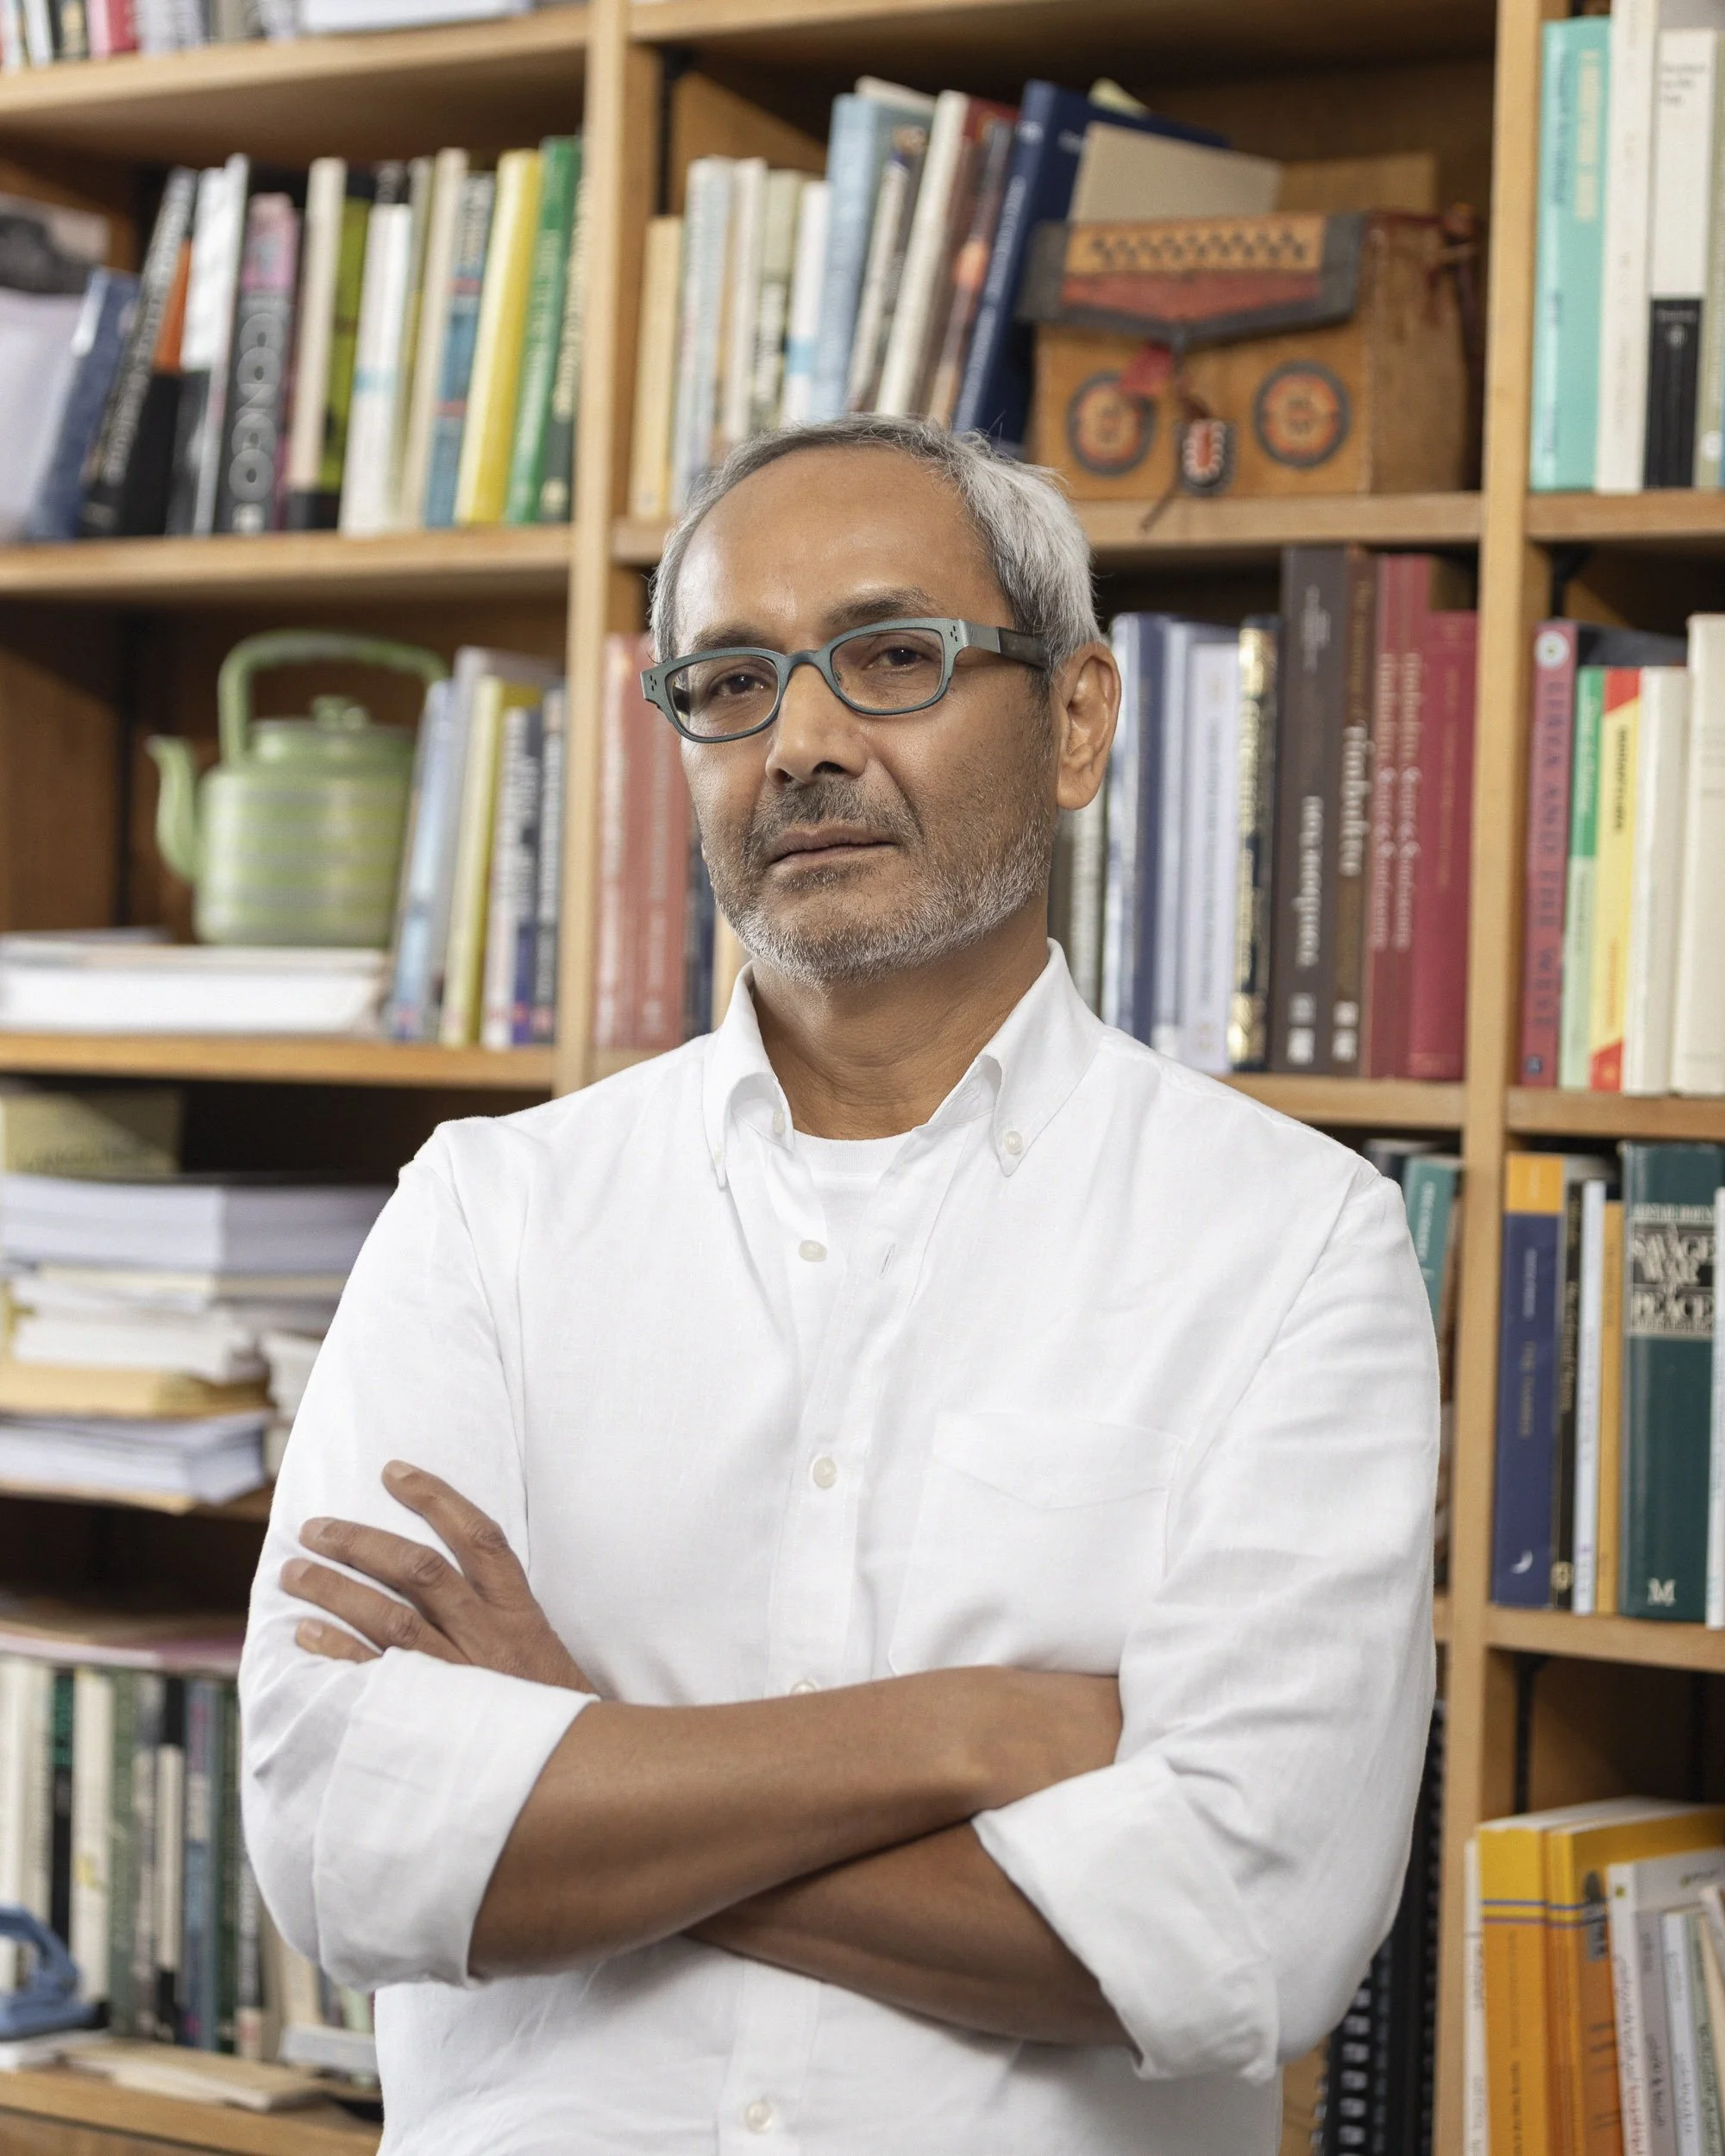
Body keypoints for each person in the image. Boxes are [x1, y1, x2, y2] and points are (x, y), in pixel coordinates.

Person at [241, 413, 1438, 2156]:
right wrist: (965, 1732)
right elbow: (344, 1838)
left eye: (890, 656)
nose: (800, 738)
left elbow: (1238, 1936)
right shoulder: (487, 1212)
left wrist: (585, 1759)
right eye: (728, 680)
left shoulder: (1291, 1243)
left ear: (1079, 719)